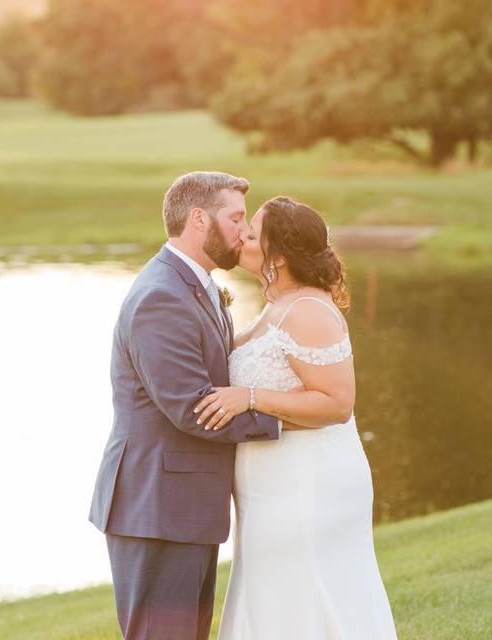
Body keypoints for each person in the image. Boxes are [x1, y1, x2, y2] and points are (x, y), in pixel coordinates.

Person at [88, 171, 282, 640]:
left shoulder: (196, 285)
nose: (244, 231)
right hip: (157, 509)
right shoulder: (162, 296)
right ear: (199, 219)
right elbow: (193, 409)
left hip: (183, 509)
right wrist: (286, 419)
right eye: (235, 218)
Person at [194, 196, 398, 639]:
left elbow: (337, 404)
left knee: (305, 596)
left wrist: (248, 396)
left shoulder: (309, 310)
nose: (243, 235)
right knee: (274, 598)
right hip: (272, 483)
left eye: (253, 232)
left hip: (308, 483)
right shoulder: (278, 304)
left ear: (279, 257)